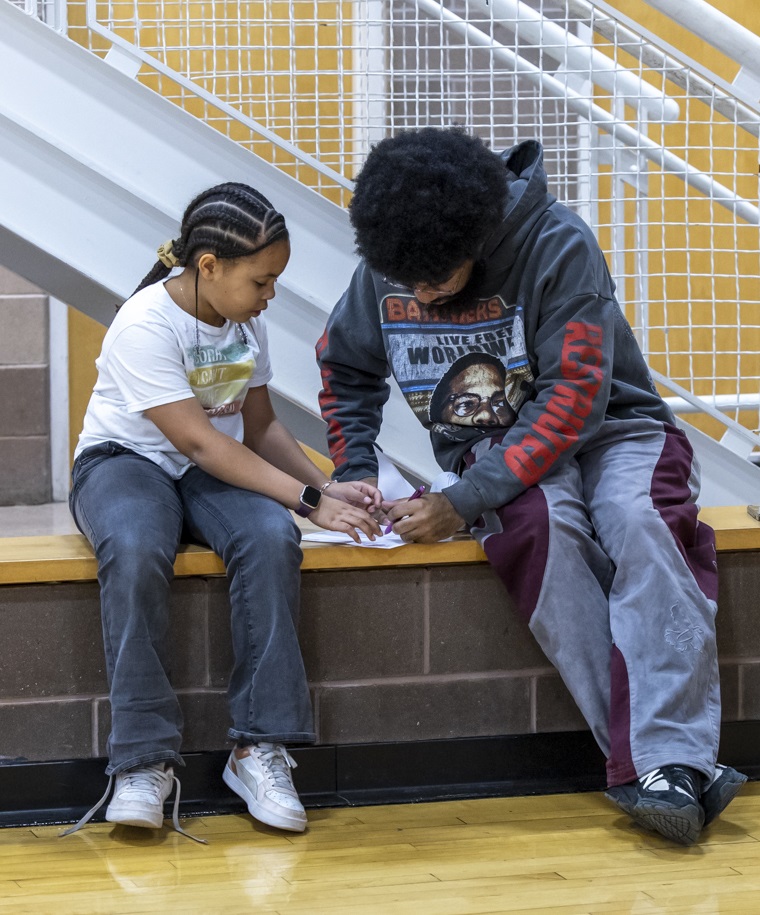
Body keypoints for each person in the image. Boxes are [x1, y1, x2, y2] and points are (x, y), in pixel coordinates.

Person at [316, 127, 747, 846]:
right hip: (493, 446)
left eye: (438, 280)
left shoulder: (559, 243)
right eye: (408, 283)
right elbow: (345, 365)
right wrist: (355, 465)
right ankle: (667, 766)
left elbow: (574, 399)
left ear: (479, 238)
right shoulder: (394, 262)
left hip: (617, 427)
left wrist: (460, 502)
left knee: (639, 524)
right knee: (541, 529)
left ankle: (665, 762)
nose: (420, 293)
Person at [63, 182, 382, 842]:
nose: (270, 297)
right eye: (262, 282)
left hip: (208, 469)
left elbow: (259, 428)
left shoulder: (245, 323)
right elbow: (198, 439)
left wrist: (328, 486)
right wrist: (312, 502)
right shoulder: (145, 322)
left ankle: (258, 749)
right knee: (135, 540)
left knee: (270, 534)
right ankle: (142, 760)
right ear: (208, 266)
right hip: (126, 462)